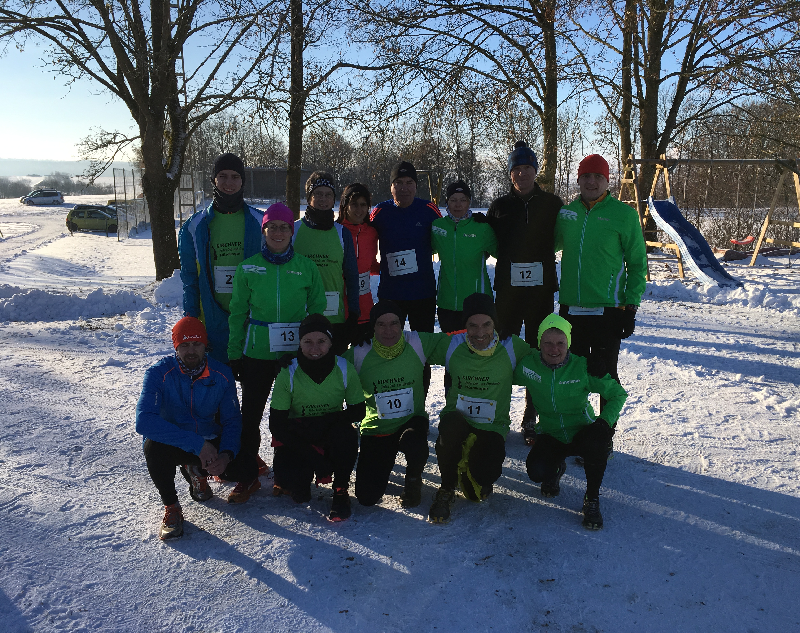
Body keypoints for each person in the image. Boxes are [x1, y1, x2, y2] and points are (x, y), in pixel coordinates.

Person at [227, 202, 326, 482]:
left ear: (292, 231)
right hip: (257, 353)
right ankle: (247, 475)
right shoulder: (248, 268)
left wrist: (315, 350)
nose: (278, 233)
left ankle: (289, 474)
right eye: (272, 227)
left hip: (294, 354)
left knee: (292, 416)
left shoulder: (306, 267)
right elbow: (237, 314)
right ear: (264, 230)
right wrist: (234, 353)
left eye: (284, 227)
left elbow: (317, 312)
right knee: (251, 416)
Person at [136, 317, 260, 540]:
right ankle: (172, 507)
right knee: (153, 448)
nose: (191, 351)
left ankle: (197, 472)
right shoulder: (158, 373)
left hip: (210, 439)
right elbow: (144, 421)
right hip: (176, 443)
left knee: (247, 469)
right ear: (175, 346)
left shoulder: (222, 374)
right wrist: (197, 445)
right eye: (184, 345)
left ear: (205, 345)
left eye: (197, 344)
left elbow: (232, 420)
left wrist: (226, 454)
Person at [513, 314, 627, 529]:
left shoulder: (583, 367)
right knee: (536, 472)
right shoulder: (528, 365)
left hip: (583, 432)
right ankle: (555, 469)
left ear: (568, 344)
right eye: (547, 343)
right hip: (551, 433)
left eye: (560, 343)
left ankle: (592, 498)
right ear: (539, 343)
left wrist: (604, 423)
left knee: (598, 444)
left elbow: (618, 394)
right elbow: (500, 373)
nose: (554, 349)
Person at [426, 293, 532, 523]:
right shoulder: (452, 343)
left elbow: (547, 360)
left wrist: (586, 365)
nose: (480, 332)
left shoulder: (512, 346)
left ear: (495, 324)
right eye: (472, 325)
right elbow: (410, 342)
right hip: (458, 420)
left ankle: (469, 458)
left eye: (487, 324)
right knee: (450, 427)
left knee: (483, 481)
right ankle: (447, 487)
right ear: (465, 326)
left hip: (492, 427)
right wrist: (374, 337)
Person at [554, 154, 647, 412]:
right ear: (578, 180)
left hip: (608, 310)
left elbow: (637, 264)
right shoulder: (567, 214)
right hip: (571, 309)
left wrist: (631, 307)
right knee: (573, 374)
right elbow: (545, 245)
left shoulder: (624, 215)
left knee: (605, 375)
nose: (591, 182)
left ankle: (605, 429)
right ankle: (577, 425)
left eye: (598, 176)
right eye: (586, 176)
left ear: (607, 181)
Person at [487, 141, 563, 444]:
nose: (522, 174)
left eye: (527, 168)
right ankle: (498, 411)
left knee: (538, 351)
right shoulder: (499, 206)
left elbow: (562, 238)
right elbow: (489, 241)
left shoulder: (553, 204)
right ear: (510, 174)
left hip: (540, 292)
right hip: (508, 291)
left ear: (535, 171)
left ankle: (532, 414)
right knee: (502, 349)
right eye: (516, 169)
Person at [344, 301, 445, 508]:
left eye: (394, 323)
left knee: (415, 443)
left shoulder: (417, 342)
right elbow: (328, 368)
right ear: (372, 326)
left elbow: (456, 341)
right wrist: (294, 361)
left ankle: (414, 479)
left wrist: (492, 335)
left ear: (402, 324)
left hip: (411, 422)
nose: (388, 330)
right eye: (381, 324)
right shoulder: (359, 352)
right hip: (377, 429)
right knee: (366, 497)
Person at [268, 314, 366, 521]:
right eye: (308, 341)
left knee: (347, 435)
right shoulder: (288, 372)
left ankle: (340, 490)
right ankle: (302, 475)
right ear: (299, 343)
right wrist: (314, 457)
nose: (314, 348)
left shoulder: (344, 368)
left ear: (331, 342)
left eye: (321, 341)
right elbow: (277, 425)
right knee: (296, 490)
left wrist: (325, 421)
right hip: (300, 436)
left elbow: (359, 411)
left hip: (330, 432)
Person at [178, 153, 264, 363]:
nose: (229, 183)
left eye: (235, 177)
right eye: (222, 176)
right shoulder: (193, 226)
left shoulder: (261, 222)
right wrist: (191, 319)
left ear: (243, 181)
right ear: (213, 180)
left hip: (253, 321)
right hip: (211, 324)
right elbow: (189, 278)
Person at [369, 161, 442, 333]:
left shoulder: (429, 210)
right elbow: (361, 233)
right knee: (389, 342)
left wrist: (476, 220)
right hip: (391, 293)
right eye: (399, 183)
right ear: (391, 187)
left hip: (422, 293)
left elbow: (449, 232)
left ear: (416, 186)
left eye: (409, 182)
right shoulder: (380, 212)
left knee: (423, 344)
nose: (404, 188)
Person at [292, 172, 360, 354]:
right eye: (318, 194)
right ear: (309, 198)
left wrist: (354, 314)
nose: (323, 199)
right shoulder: (294, 230)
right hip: (300, 317)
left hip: (334, 319)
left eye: (328, 194)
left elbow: (352, 276)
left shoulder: (342, 233)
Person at [431, 180, 497, 334]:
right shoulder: (438, 227)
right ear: (447, 202)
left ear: (469, 202)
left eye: (463, 200)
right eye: (453, 200)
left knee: (476, 343)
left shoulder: (482, 228)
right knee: (450, 344)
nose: (458, 205)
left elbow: (501, 252)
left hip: (476, 301)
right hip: (446, 302)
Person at [337, 183, 380, 345]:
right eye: (354, 204)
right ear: (345, 205)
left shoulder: (372, 232)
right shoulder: (336, 231)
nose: (359, 210)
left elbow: (371, 265)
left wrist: (392, 269)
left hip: (365, 310)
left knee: (364, 357)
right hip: (339, 310)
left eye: (363, 205)